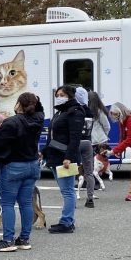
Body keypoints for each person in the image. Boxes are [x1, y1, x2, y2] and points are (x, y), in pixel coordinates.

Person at [0, 93, 44, 252]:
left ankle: (7, 240)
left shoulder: (11, 122)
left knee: (7, 203)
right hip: (32, 164)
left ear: (19, 104)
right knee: (25, 203)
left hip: (14, 166)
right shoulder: (38, 119)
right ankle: (24, 239)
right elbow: (40, 110)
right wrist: (36, 101)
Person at [42, 85, 84, 234]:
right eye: (57, 95)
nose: (58, 97)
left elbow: (75, 138)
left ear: (70, 96)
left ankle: (66, 222)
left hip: (65, 158)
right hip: (54, 156)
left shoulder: (75, 112)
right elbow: (52, 136)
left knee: (68, 191)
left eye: (61, 95)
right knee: (65, 190)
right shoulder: (60, 111)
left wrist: (68, 157)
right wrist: (44, 152)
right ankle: (68, 221)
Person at [75, 87, 97, 208]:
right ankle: (90, 199)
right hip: (87, 142)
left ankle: (71, 199)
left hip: (75, 142)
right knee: (89, 172)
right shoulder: (89, 111)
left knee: (71, 169)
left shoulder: (73, 110)